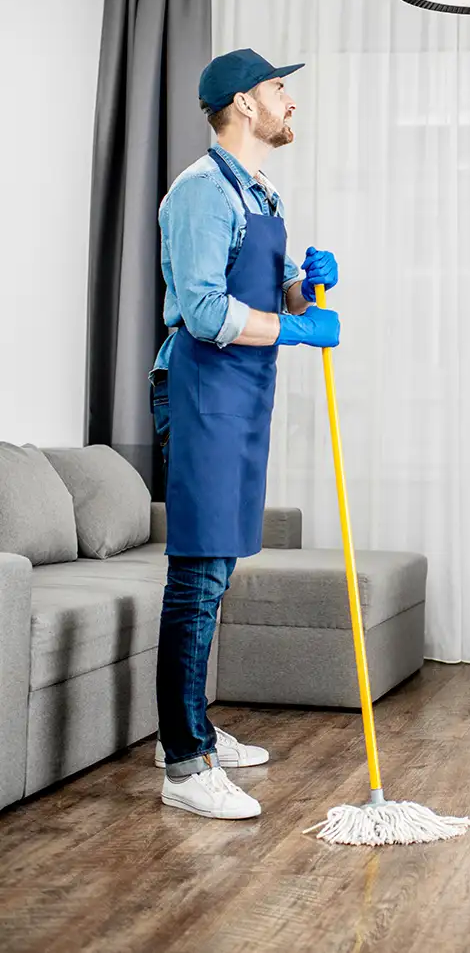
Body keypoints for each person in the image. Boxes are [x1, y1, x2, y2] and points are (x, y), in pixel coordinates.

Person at [150, 49, 341, 819]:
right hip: (200, 390)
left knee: (218, 570)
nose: (289, 101)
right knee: (197, 577)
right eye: (277, 89)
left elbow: (251, 287)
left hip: (239, 395)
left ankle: (186, 732)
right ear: (242, 104)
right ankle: (185, 765)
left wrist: (302, 282)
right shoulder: (200, 192)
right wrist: (294, 327)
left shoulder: (256, 188)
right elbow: (202, 311)